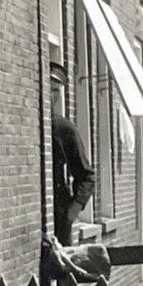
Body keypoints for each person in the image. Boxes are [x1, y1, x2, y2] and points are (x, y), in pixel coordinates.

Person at [49, 61, 95, 243]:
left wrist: (71, 212)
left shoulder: (63, 129)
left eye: (55, 91)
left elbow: (86, 176)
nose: (50, 96)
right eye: (48, 89)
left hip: (59, 216)